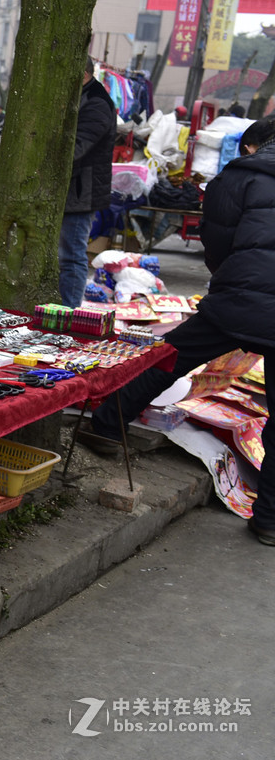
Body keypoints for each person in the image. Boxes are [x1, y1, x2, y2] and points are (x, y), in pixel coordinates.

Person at [83, 116, 275, 547]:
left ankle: (107, 427)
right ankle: (269, 520)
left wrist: (235, 281)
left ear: (255, 146)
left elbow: (217, 240)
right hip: (247, 298)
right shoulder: (243, 174)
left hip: (238, 302)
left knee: (168, 358)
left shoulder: (239, 176)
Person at [59, 56, 116, 309]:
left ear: (81, 74)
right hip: (72, 189)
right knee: (64, 255)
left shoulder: (97, 103)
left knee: (71, 256)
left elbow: (76, 148)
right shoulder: (82, 97)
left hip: (82, 191)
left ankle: (69, 311)